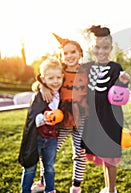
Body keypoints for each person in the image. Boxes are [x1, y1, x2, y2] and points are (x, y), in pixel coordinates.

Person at [31, 34, 88, 193]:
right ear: (62, 56)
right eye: (66, 53)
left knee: (80, 152)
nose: (69, 56)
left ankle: (76, 186)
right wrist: (43, 87)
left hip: (81, 117)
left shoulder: (87, 71)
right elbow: (38, 83)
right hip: (61, 118)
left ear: (80, 53)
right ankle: (43, 181)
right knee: (50, 150)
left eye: (73, 52)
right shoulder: (59, 73)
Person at [80, 25, 130, 193]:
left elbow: (120, 94)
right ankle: (108, 186)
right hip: (93, 117)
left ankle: (111, 190)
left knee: (110, 155)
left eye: (105, 47)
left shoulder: (116, 67)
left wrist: (124, 82)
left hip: (111, 116)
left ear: (111, 48)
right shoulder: (86, 67)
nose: (101, 51)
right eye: (97, 47)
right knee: (103, 155)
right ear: (92, 47)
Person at [18, 58, 64, 193]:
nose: (55, 81)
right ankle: (25, 190)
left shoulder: (60, 94)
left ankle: (50, 189)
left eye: (58, 77)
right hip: (36, 138)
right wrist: (44, 118)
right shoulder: (39, 95)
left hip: (52, 138)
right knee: (30, 167)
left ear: (62, 77)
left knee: (49, 166)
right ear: (43, 79)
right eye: (51, 78)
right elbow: (33, 118)